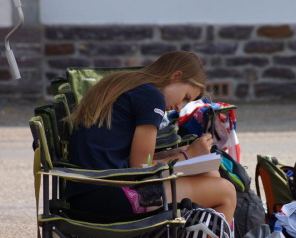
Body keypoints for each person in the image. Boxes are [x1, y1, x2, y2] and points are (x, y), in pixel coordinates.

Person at [65, 51, 236, 224]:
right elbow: (141, 168)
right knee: (226, 191)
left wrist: (175, 152)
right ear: (176, 76)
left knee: (209, 172)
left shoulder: (126, 84)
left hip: (87, 192)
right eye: (185, 97)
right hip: (113, 196)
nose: (179, 107)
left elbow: (122, 156)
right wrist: (188, 155)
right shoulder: (152, 97)